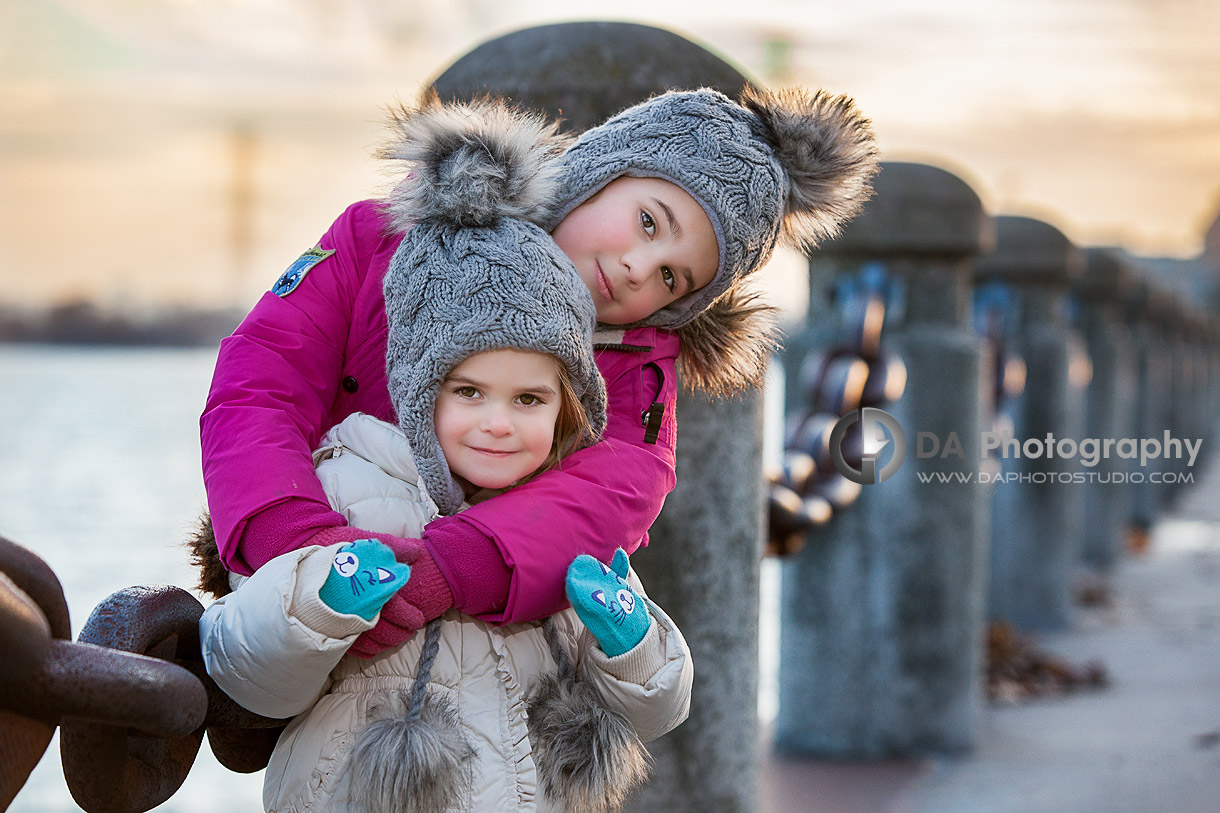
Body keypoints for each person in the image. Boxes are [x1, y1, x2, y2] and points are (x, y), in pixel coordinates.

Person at [198, 84, 879, 657]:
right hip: (305, 568)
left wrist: (452, 567)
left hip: (481, 656)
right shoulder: (384, 239)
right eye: (647, 220)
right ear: (600, 169)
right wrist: (289, 532)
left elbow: (613, 491)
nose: (642, 267)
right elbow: (261, 382)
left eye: (674, 275)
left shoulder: (635, 366)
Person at [198, 133, 694, 813]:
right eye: (469, 391)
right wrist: (316, 596)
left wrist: (631, 637)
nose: (498, 422)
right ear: (416, 386)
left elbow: (659, 696)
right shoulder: (349, 490)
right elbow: (248, 670)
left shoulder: (564, 530)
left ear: (564, 412)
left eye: (529, 400)